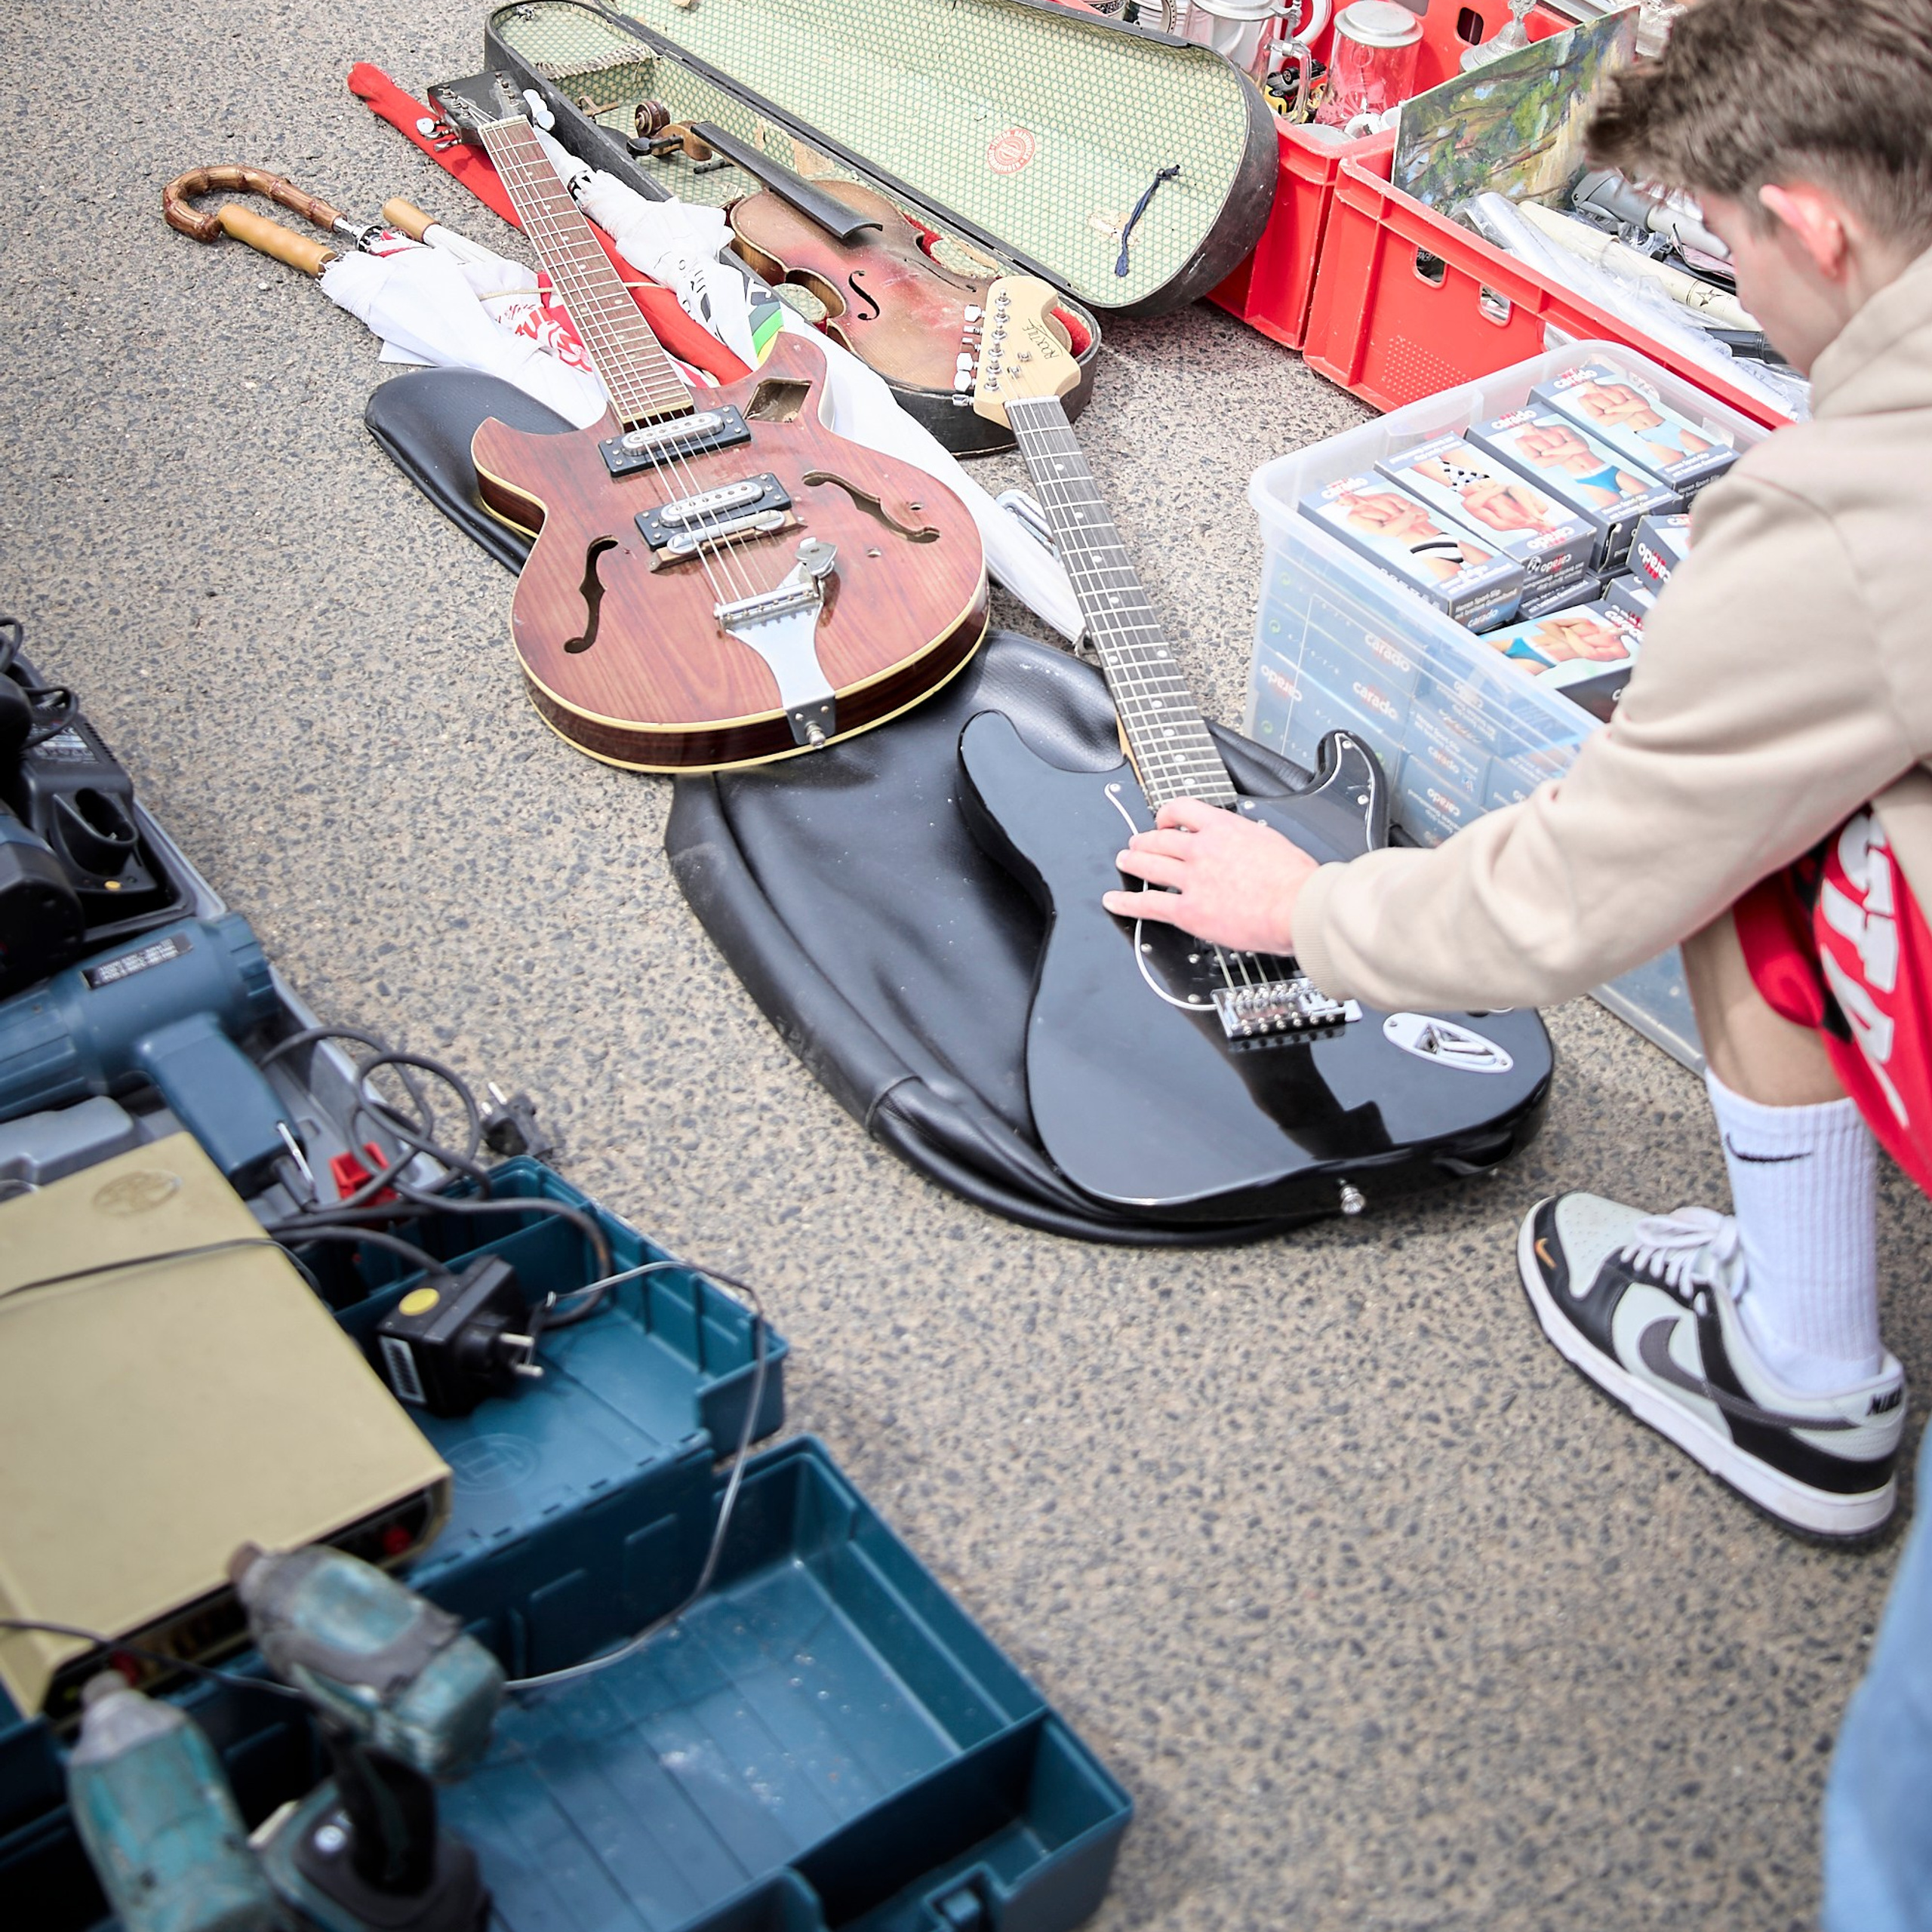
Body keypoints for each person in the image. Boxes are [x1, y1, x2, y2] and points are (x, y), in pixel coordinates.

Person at [1111, 1, 1932, 1914]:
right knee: (1784, 813)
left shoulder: (1838, 514)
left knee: (1907, 1805)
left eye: (1721, 241)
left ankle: (1805, 1399)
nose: (1733, 279)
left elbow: (1576, 894)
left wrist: (1299, 908)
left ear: (1806, 224)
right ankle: (1795, 1352)